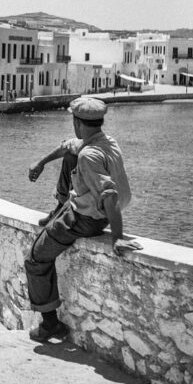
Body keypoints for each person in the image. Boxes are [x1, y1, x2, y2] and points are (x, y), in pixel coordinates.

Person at [25, 96, 142, 342]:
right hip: (96, 211)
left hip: (86, 218)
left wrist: (118, 239)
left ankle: (49, 326)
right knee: (70, 156)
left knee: (35, 258)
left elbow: (109, 194)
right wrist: (42, 162)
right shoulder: (107, 142)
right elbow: (69, 147)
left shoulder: (88, 155)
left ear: (77, 122)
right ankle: (59, 208)